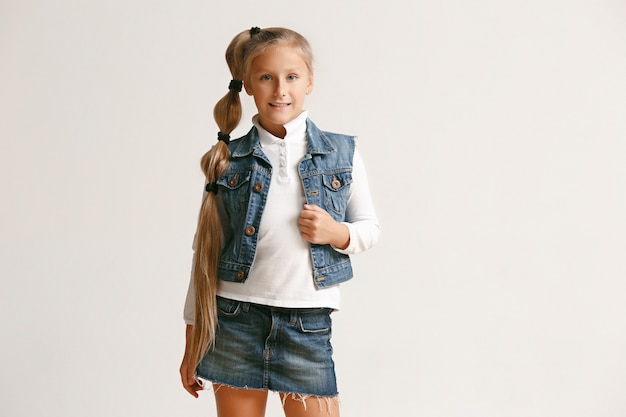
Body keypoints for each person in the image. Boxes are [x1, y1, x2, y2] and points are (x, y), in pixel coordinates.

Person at [179, 26, 380, 417]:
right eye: (266, 78)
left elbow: (369, 228)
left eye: (291, 77)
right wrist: (192, 345)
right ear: (249, 86)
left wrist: (335, 232)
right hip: (234, 322)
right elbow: (204, 259)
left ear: (310, 81)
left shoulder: (342, 153)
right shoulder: (227, 160)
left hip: (307, 325)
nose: (280, 90)